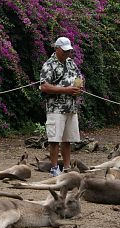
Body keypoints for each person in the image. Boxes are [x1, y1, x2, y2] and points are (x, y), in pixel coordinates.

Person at [40, 37, 83, 177]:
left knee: (67, 139)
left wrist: (78, 87)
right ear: (57, 49)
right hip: (56, 109)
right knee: (54, 139)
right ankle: (53, 168)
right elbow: (44, 86)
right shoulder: (49, 65)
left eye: (69, 51)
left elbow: (79, 77)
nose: (67, 54)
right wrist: (67, 90)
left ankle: (66, 167)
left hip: (70, 107)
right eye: (64, 51)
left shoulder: (71, 63)